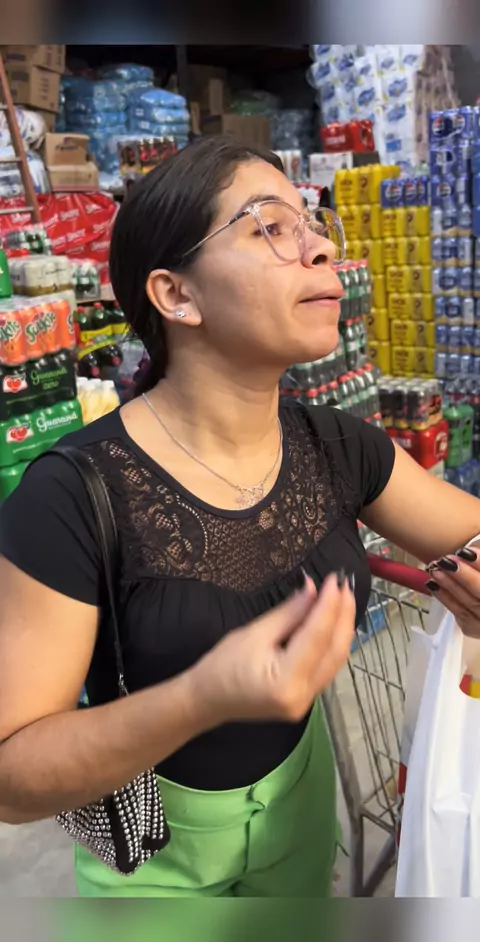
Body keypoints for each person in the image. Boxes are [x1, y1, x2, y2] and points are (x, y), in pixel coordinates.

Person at [0, 136, 480, 900]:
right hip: (155, 870)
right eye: (271, 227)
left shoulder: (337, 446)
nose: (321, 247)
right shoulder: (72, 496)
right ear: (177, 295)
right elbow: (13, 777)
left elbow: (468, 531)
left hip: (302, 819)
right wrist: (200, 698)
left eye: (313, 224)